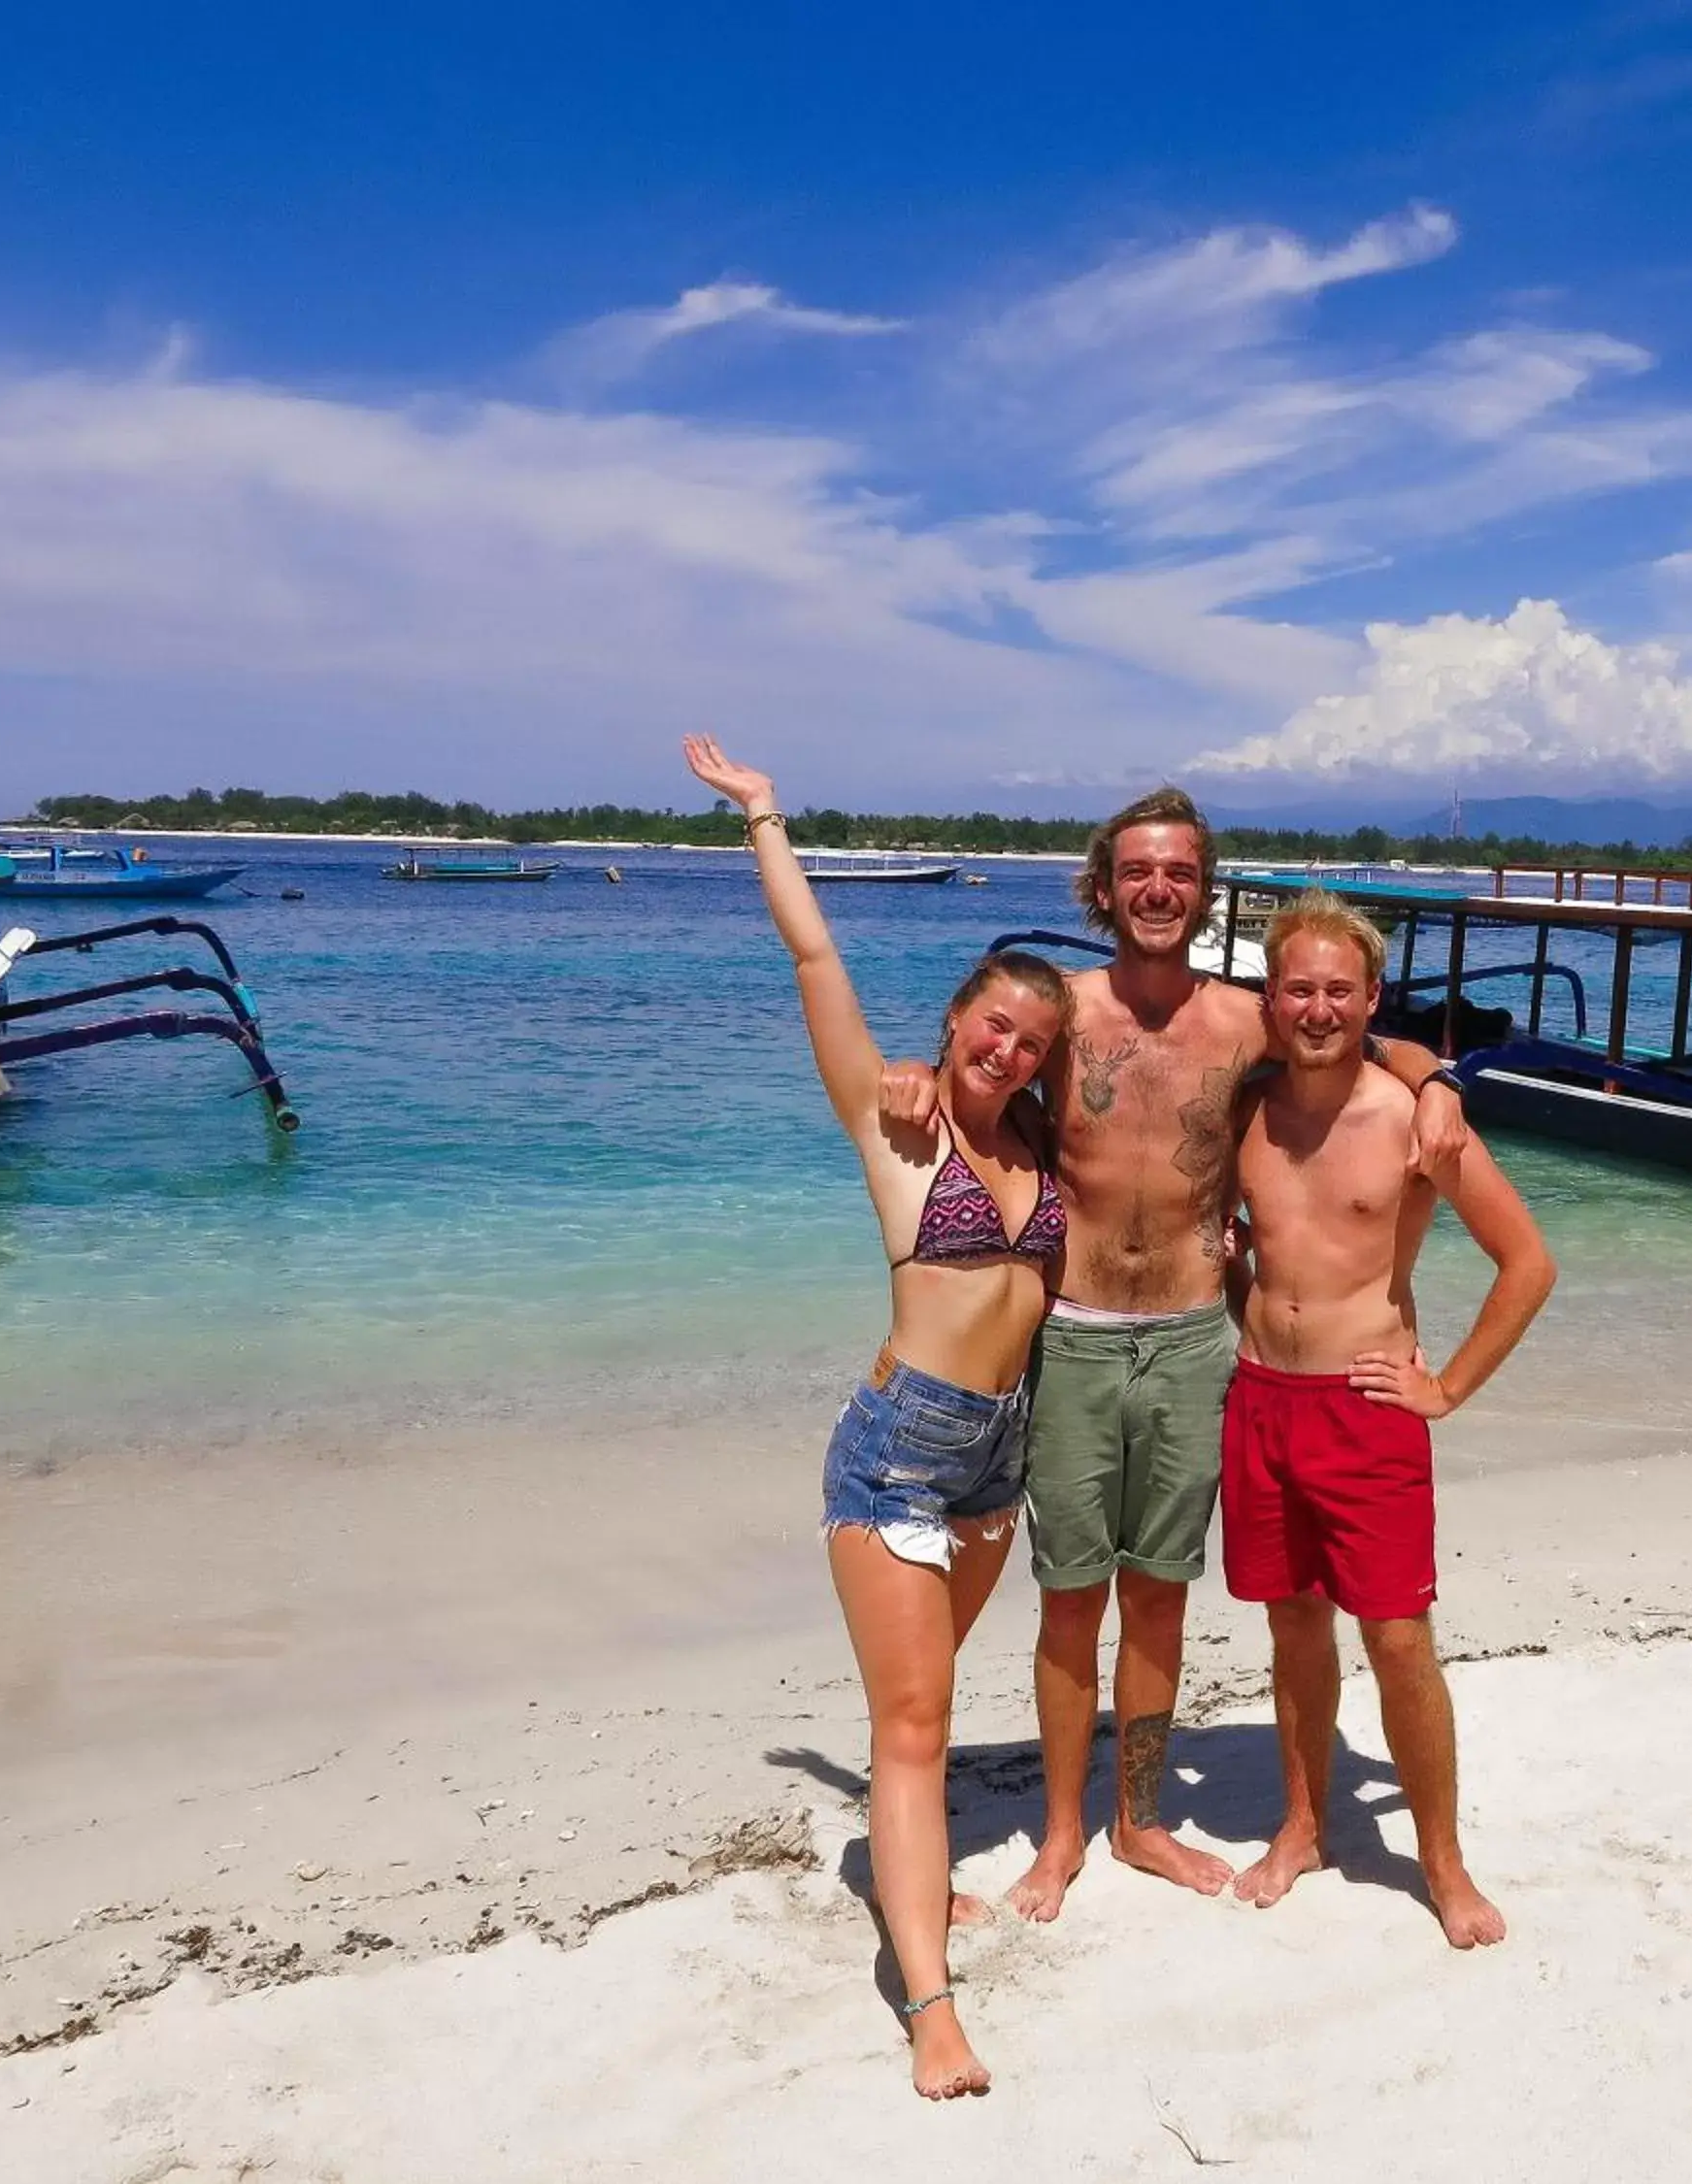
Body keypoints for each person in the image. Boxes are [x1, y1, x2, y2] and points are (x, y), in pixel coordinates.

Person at [880, 788, 1466, 1920]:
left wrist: (1435, 1080)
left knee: (1158, 1597)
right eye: (1138, 872)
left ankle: (1136, 1821)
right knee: (1068, 1601)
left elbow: (1360, 1031)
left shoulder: (1247, 1020)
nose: (1159, 891)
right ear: (1104, 887)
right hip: (1077, 1337)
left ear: (1204, 893)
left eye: (1181, 875)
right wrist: (914, 1075)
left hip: (1200, 1342)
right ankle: (1060, 1836)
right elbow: (982, 1064)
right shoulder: (1071, 1010)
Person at [680, 734, 1068, 2101]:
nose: (1006, 1046)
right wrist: (767, 818)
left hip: (996, 1458)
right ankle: (930, 2007)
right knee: (913, 1727)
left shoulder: (1039, 1145)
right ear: (955, 1016)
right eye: (990, 1023)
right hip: (899, 1451)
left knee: (921, 1713)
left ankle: (904, 1871)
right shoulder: (896, 1127)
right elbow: (816, 967)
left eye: (1031, 1038)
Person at [1221, 890, 1554, 1948]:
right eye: (1298, 988)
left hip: (1367, 1414)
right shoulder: (1247, 1110)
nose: (1317, 1007)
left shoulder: (1417, 1122)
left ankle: (1442, 1864)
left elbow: (1529, 1264)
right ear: (1272, 997)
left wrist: (1446, 1388)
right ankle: (1305, 1825)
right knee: (1293, 1624)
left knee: (1399, 1638)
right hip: (1262, 1399)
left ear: (1371, 999)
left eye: (1338, 990)